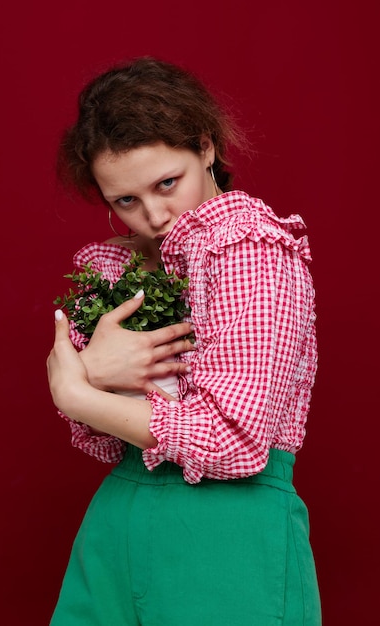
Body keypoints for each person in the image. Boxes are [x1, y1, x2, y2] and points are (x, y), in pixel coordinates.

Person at [47, 56, 321, 625]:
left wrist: (80, 391)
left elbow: (234, 441)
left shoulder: (248, 249)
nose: (154, 215)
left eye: (166, 183)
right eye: (125, 201)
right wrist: (97, 373)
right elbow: (97, 429)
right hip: (117, 519)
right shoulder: (111, 270)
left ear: (206, 147)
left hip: (227, 535)